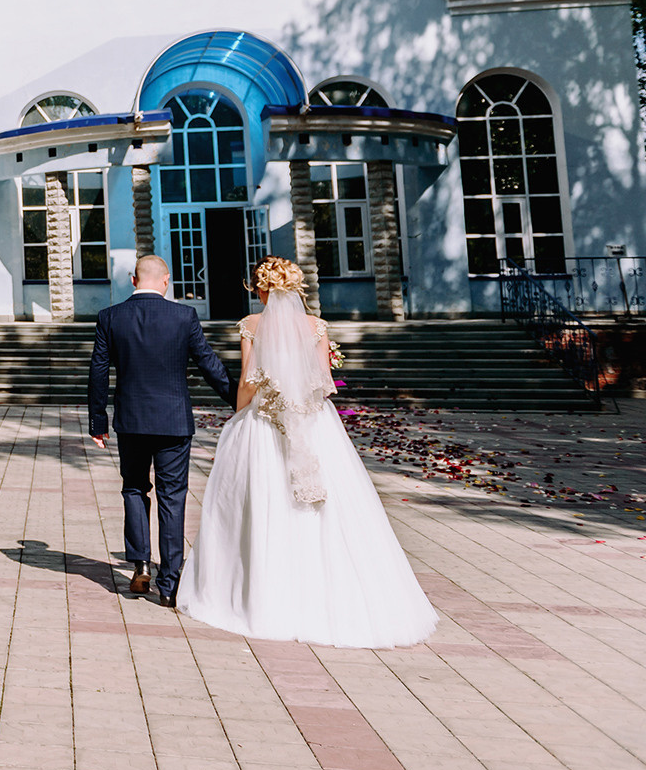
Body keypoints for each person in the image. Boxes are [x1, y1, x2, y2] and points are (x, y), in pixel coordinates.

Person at [179, 256, 437, 647]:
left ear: (262, 288)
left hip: (265, 422)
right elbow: (326, 383)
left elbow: (249, 381)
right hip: (313, 423)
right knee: (330, 505)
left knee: (260, 500)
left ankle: (258, 593)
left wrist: (240, 411)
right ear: (294, 289)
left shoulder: (252, 325)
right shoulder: (316, 326)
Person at [89, 253, 234, 608]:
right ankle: (169, 583)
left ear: (133, 280)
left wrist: (98, 421)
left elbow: (98, 370)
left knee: (134, 488)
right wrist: (238, 400)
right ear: (166, 281)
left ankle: (140, 563)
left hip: (132, 420)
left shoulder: (111, 317)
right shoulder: (184, 316)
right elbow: (208, 363)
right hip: (172, 421)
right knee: (174, 496)